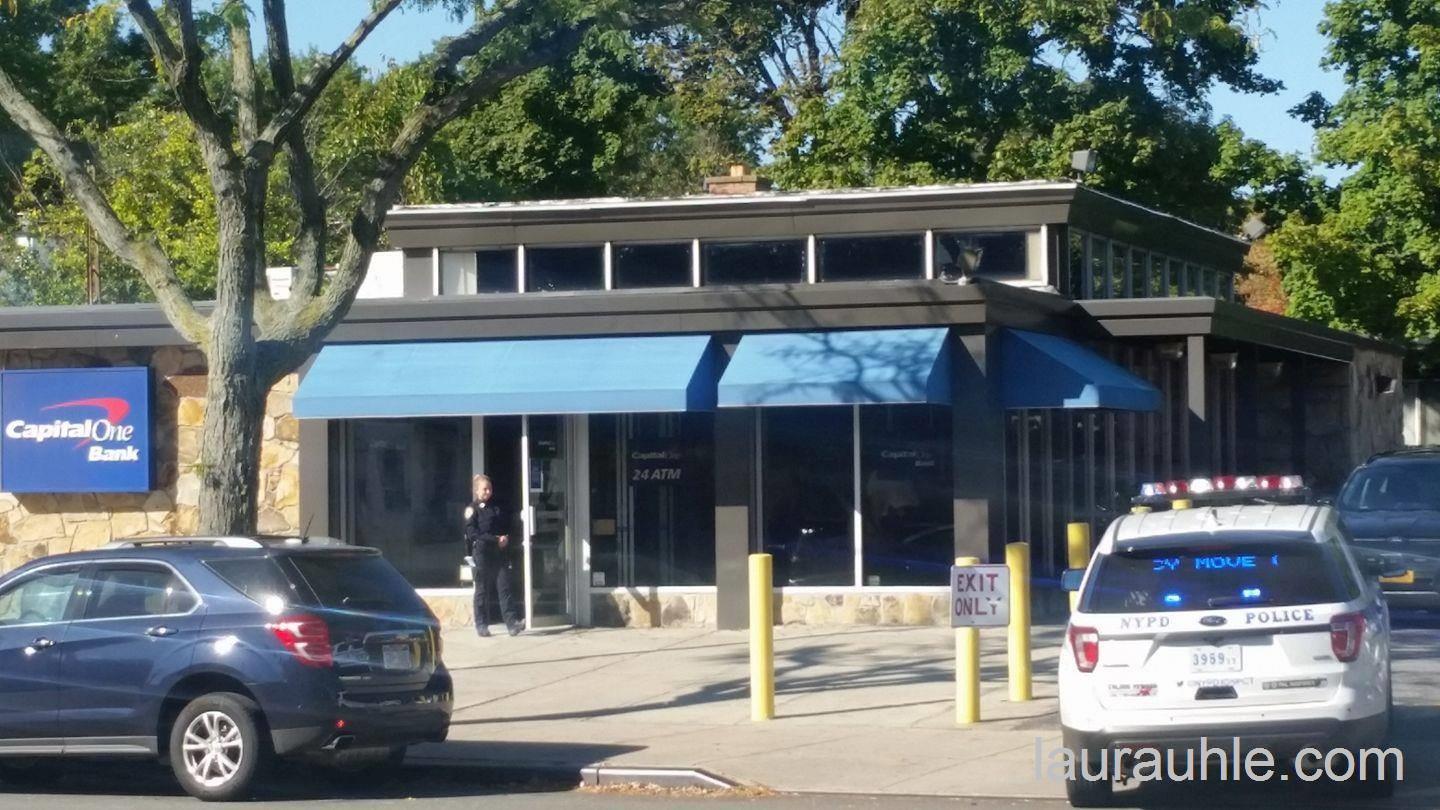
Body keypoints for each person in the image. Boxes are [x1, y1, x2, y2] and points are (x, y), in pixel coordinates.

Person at [464, 474, 522, 637]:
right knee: (482, 589)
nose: (488, 492)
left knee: (504, 587)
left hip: (498, 552)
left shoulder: (496, 507)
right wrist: (495, 539)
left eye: (489, 489)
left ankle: (512, 624)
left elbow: (506, 527)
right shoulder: (472, 509)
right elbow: (472, 533)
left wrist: (506, 538)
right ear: (476, 490)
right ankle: (481, 625)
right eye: (484, 489)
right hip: (482, 553)